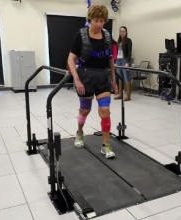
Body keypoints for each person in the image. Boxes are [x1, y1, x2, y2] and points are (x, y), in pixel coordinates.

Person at [67, 5, 118, 159]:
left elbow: (110, 61)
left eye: (102, 21)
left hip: (103, 77)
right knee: (85, 110)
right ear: (90, 20)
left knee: (105, 112)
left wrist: (114, 81)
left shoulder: (107, 37)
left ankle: (105, 145)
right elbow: (71, 59)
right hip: (86, 77)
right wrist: (77, 80)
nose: (99, 24)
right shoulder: (81, 35)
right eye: (96, 20)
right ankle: (80, 132)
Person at [114, 26, 133, 101]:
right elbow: (117, 52)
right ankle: (120, 94)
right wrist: (115, 61)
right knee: (120, 77)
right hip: (118, 60)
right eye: (121, 31)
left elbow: (129, 52)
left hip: (125, 60)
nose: (122, 33)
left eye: (123, 31)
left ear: (126, 32)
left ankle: (128, 95)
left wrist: (128, 62)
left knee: (126, 77)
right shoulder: (118, 41)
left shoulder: (128, 40)